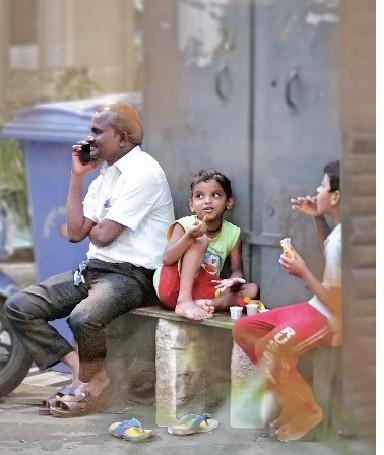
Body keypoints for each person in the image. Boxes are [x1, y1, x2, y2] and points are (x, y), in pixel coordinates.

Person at [3, 103, 174, 417]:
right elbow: (74, 232)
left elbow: (104, 234)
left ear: (122, 138)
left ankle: (91, 387)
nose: (89, 138)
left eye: (97, 131)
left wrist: (92, 227)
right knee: (20, 307)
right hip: (95, 271)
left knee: (83, 318)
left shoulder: (144, 173)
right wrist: (76, 177)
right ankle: (87, 373)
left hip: (132, 275)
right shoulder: (105, 175)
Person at [233, 160, 342, 442]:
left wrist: (303, 272)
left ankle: (307, 411)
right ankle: (293, 404)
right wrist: (317, 217)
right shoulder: (341, 232)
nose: (317, 190)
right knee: (244, 329)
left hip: (332, 318)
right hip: (316, 308)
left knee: (270, 349)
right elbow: (332, 249)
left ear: (336, 196)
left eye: (322, 185)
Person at [153, 169, 258, 320]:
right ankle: (185, 302)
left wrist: (233, 280)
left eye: (216, 195)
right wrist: (190, 237)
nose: (207, 201)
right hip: (171, 286)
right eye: (199, 196)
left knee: (252, 289)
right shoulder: (184, 225)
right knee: (201, 239)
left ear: (229, 202)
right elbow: (167, 259)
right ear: (191, 204)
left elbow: (236, 270)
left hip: (201, 288)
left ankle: (207, 304)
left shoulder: (233, 232)